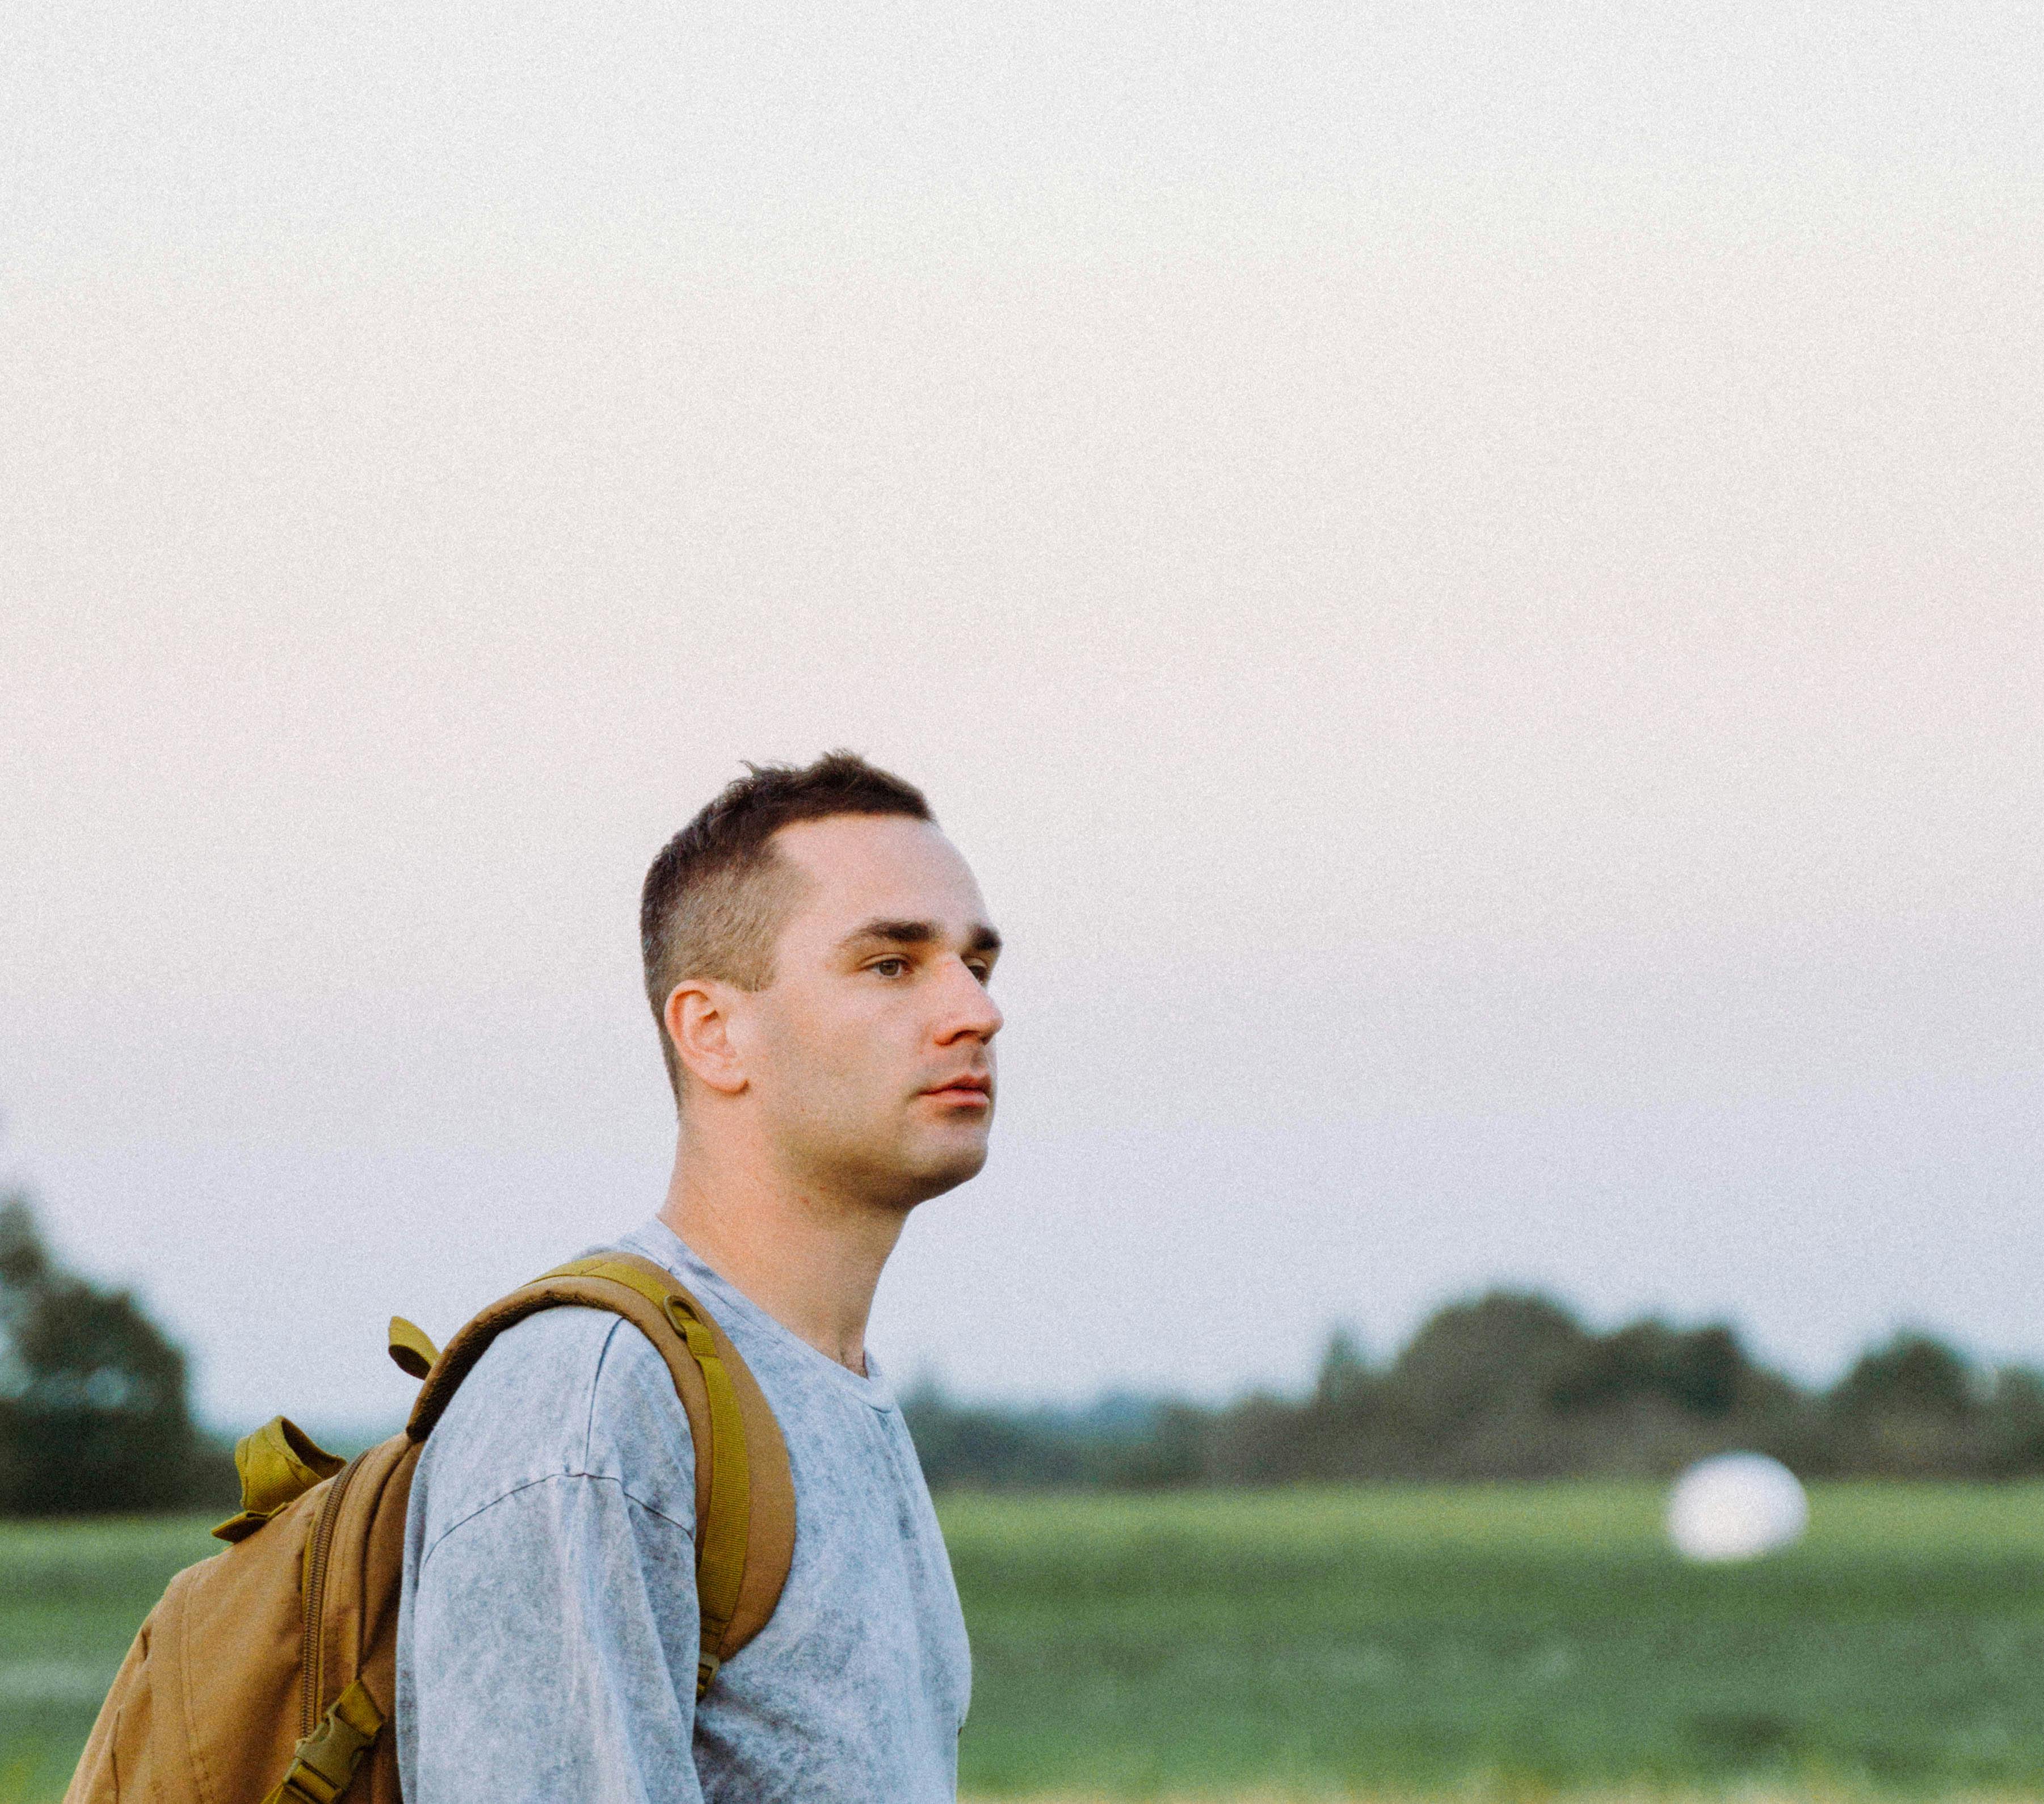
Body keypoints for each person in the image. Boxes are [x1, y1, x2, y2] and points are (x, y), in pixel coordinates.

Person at [397, 751, 1003, 1802]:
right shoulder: (593, 1404)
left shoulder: (832, 1387)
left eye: (976, 966)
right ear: (714, 1034)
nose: (974, 1013)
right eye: (892, 965)